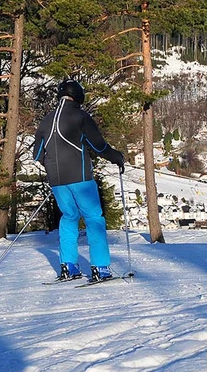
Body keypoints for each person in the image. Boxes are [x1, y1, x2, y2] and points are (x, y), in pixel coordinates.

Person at [33, 80, 125, 282]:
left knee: (69, 217)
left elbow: (37, 154)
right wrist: (117, 157)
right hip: (80, 177)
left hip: (57, 180)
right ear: (79, 97)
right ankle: (100, 268)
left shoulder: (46, 120)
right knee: (93, 219)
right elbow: (99, 146)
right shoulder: (80, 116)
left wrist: (53, 167)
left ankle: (68, 266)